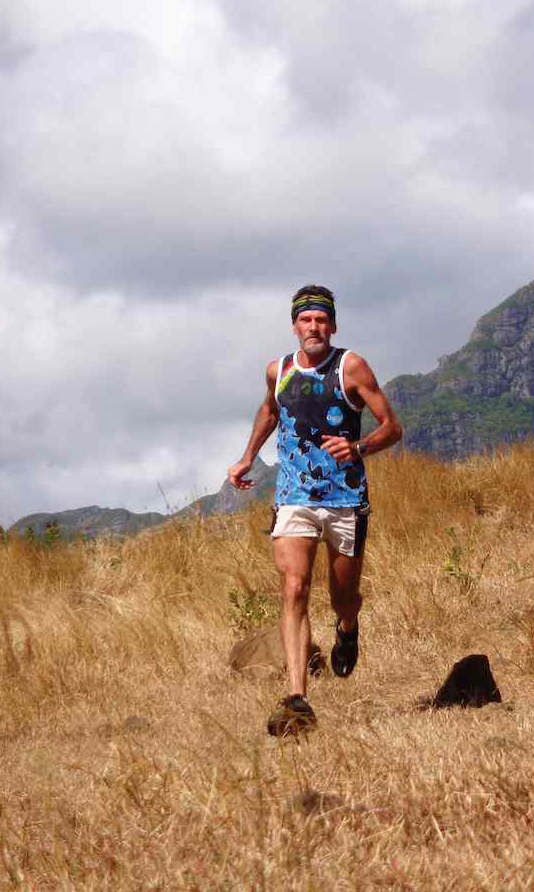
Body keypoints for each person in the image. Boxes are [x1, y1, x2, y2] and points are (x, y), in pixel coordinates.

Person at [226, 285, 403, 736]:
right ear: (294, 325)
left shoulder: (351, 367)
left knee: (344, 596)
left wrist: (358, 446)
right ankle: (297, 695)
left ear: (333, 326)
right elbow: (270, 411)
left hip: (345, 499)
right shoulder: (278, 370)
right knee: (293, 586)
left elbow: (393, 427)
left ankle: (347, 628)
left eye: (322, 320)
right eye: (306, 320)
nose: (314, 327)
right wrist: (248, 456)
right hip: (293, 499)